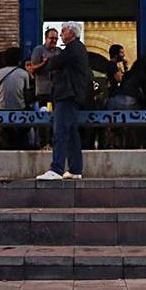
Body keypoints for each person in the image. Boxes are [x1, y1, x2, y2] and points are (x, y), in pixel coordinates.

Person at [34, 22, 91, 180]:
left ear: (72, 33)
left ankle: (57, 169)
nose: (60, 35)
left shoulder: (73, 48)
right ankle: (75, 169)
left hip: (67, 95)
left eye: (63, 31)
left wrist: (50, 63)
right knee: (72, 133)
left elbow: (54, 63)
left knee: (60, 132)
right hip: (73, 96)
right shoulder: (79, 48)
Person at [26, 28, 61, 148]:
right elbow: (32, 69)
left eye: (56, 38)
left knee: (55, 117)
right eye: (52, 38)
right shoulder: (39, 50)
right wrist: (44, 63)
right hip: (43, 91)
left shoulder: (59, 52)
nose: (54, 41)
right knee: (43, 116)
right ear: (46, 38)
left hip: (56, 91)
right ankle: (43, 142)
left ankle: (54, 142)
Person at [0, 47, 31, 150]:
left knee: (5, 134)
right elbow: (26, 93)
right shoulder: (23, 74)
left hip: (1, 108)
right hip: (19, 108)